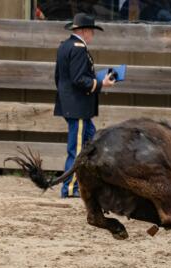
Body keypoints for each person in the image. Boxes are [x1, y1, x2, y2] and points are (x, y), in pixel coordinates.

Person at [54, 13, 115, 198]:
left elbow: (59, 78)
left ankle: (90, 183)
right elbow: (79, 79)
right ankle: (70, 187)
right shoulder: (79, 48)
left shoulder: (65, 45)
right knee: (78, 149)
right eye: (92, 32)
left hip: (72, 105)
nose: (92, 36)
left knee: (92, 142)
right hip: (78, 106)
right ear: (85, 31)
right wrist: (101, 83)